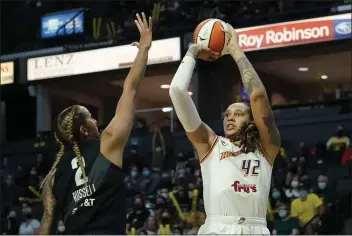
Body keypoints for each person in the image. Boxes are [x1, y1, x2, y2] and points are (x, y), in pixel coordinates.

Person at [37, 12, 153, 234]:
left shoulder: (53, 176)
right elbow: (130, 88)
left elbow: (46, 226)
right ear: (83, 129)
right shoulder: (107, 144)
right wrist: (144, 49)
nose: (96, 121)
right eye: (90, 116)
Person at [169, 23, 280, 234]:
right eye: (227, 115)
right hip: (217, 228)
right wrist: (194, 50)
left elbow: (257, 96)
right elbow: (177, 91)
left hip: (255, 228)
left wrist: (235, 49)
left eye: (238, 114)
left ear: (251, 121)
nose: (229, 119)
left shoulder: (267, 147)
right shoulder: (210, 144)